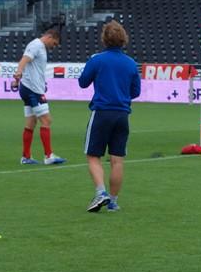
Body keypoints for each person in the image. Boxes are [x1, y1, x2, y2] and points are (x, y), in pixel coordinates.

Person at [78, 20, 141, 213]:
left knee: (93, 155)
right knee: (117, 160)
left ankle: (101, 192)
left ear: (104, 39)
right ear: (123, 39)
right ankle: (113, 201)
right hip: (122, 114)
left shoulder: (97, 59)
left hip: (102, 112)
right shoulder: (131, 63)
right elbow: (136, 92)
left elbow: (82, 82)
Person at [13, 28, 67, 165]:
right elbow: (24, 59)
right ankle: (48, 156)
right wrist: (18, 73)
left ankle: (25, 157)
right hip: (33, 90)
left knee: (31, 123)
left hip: (29, 88)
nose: (53, 47)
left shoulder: (40, 47)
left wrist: (18, 79)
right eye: (54, 43)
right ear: (50, 36)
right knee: (47, 121)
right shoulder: (36, 45)